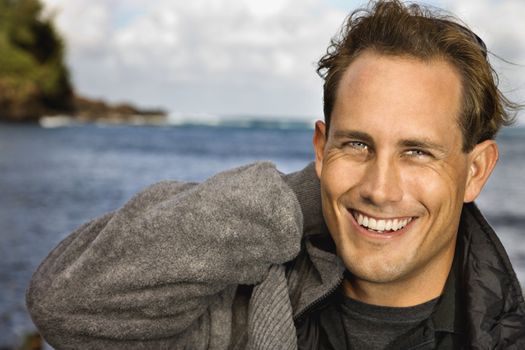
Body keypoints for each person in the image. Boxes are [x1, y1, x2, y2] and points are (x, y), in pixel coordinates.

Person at [27, 1, 525, 349]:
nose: (378, 188)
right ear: (320, 150)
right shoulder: (246, 311)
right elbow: (64, 305)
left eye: (417, 152)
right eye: (356, 144)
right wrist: (309, 194)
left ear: (475, 170)